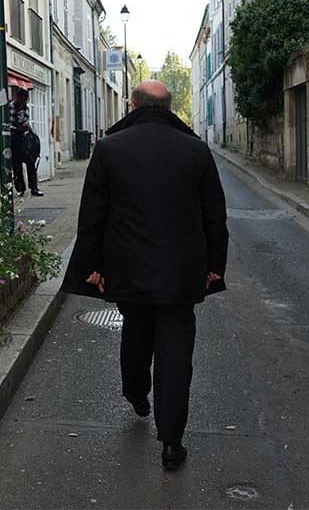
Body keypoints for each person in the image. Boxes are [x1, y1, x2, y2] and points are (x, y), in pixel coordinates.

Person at [61, 80, 229, 471]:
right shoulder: (195, 150)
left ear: (133, 106)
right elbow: (214, 217)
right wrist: (214, 267)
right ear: (169, 108)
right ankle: (171, 442)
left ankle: (136, 393)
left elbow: (93, 218)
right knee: (176, 354)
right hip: (181, 274)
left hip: (128, 269)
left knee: (135, 333)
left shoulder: (109, 149)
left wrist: (92, 268)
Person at [10, 87, 44, 197]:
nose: (23, 102)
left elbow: (26, 120)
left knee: (30, 163)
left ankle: (34, 187)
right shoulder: (11, 107)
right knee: (17, 165)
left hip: (25, 139)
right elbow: (8, 124)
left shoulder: (26, 107)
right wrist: (17, 129)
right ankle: (20, 188)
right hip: (15, 139)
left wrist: (27, 129)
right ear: (18, 97)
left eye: (25, 99)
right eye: (22, 99)